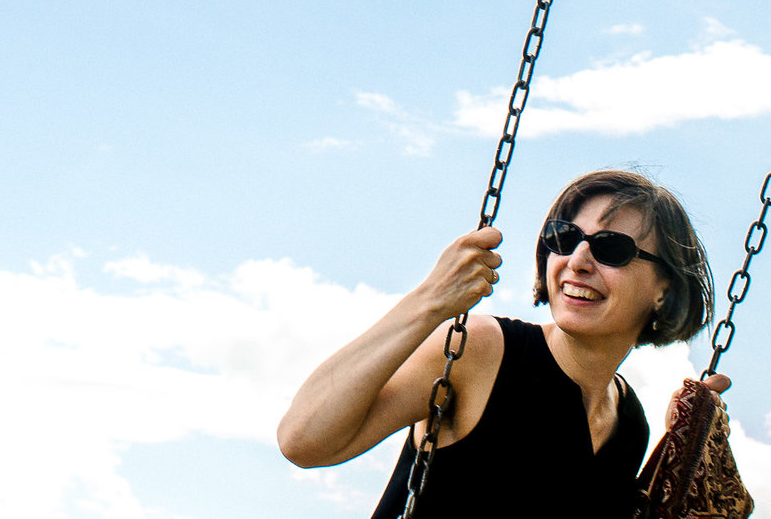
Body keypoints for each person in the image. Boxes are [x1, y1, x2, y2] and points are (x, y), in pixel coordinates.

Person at [276, 169, 726, 517]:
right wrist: (430, 301)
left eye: (611, 249)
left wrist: (683, 448)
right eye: (563, 239)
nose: (577, 261)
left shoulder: (629, 425)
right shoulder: (485, 351)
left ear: (663, 288)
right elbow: (304, 440)